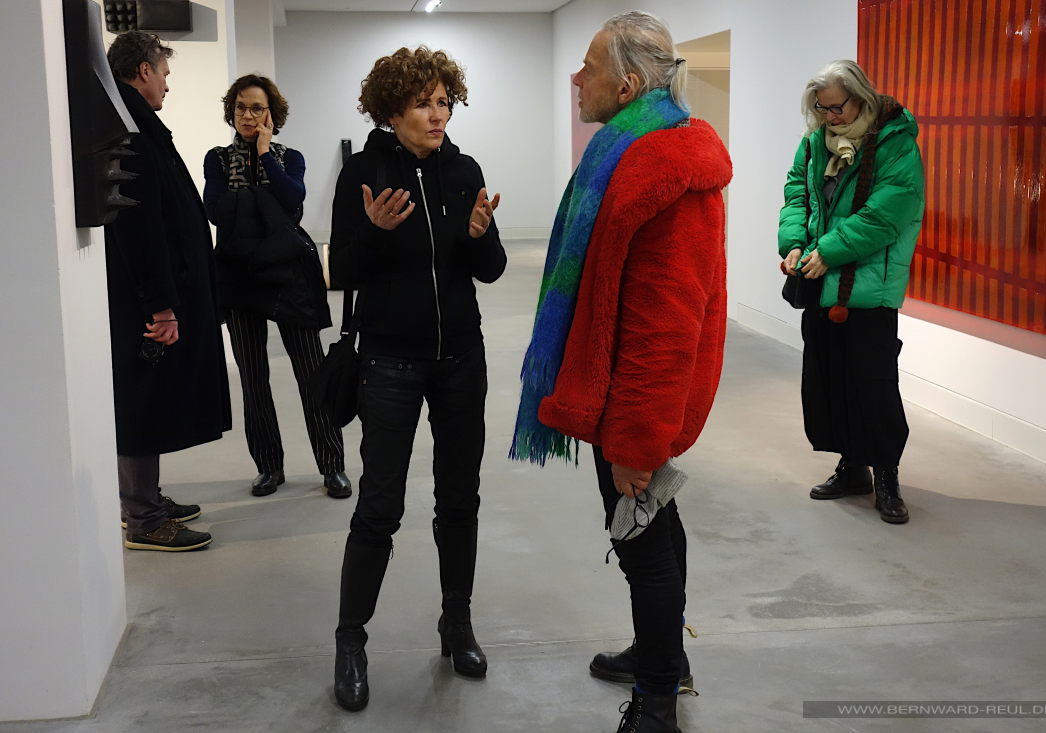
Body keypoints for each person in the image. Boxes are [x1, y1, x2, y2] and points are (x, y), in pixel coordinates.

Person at [510, 12, 730, 732]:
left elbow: (665, 325)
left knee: (642, 542)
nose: (577, 78)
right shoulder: (628, 151)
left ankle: (657, 697)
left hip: (632, 401)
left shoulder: (661, 168)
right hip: (615, 391)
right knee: (653, 527)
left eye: (590, 66)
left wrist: (636, 439)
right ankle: (662, 654)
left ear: (629, 83)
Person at [327, 46, 506, 712]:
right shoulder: (364, 173)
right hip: (389, 362)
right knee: (380, 504)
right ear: (391, 109)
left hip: (460, 358)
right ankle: (350, 641)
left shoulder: (465, 170)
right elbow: (343, 270)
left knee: (460, 498)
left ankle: (456, 623)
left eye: (444, 102)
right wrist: (374, 232)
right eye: (423, 103)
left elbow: (489, 268)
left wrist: (481, 235)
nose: (438, 115)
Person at [777, 60, 925, 525]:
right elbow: (797, 194)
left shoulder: (895, 142)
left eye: (836, 107)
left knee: (873, 385)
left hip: (868, 288)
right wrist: (794, 243)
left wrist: (829, 250)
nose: (829, 117)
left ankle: (886, 476)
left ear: (861, 97)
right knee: (829, 379)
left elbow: (888, 213)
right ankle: (852, 467)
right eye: (821, 109)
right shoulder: (814, 142)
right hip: (820, 283)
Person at [105, 31, 231, 551]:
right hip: (147, 301)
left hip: (152, 294)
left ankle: (145, 500)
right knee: (141, 399)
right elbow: (140, 227)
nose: (167, 84)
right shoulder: (132, 131)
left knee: (150, 397)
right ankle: (144, 519)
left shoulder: (132, 123)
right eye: (164, 72)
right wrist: (160, 305)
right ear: (144, 70)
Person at [203, 75, 350, 499]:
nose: (248, 116)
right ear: (231, 111)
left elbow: (293, 201)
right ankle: (269, 467)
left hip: (289, 275)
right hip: (239, 276)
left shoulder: (290, 157)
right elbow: (216, 212)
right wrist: (265, 205)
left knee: (312, 374)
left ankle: (332, 466)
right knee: (253, 380)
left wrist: (265, 157)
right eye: (241, 107)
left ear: (272, 114)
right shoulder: (217, 159)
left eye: (257, 108)